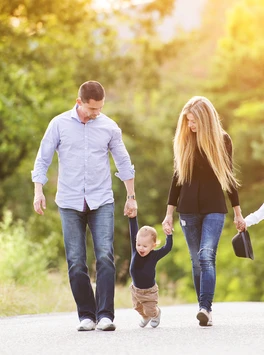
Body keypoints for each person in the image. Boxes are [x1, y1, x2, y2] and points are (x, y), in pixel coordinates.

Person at [32, 80, 137, 332]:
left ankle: (105, 315)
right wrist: (38, 191)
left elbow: (124, 161)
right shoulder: (59, 124)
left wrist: (131, 196)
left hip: (101, 200)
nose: (96, 113)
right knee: (76, 260)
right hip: (69, 202)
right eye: (92, 109)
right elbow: (43, 157)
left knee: (105, 256)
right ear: (79, 102)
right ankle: (86, 315)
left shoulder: (109, 127)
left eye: (100, 108)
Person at [162, 96, 244, 327]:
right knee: (196, 261)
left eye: (194, 121)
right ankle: (203, 307)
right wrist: (168, 214)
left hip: (214, 208)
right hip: (187, 210)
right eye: (188, 121)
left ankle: (205, 308)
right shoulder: (185, 141)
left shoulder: (223, 141)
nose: (190, 125)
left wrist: (238, 213)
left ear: (206, 119)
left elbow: (229, 180)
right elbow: (176, 180)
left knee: (206, 255)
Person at [127, 216, 173, 328]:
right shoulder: (135, 251)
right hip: (135, 289)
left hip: (149, 292)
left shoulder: (154, 255)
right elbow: (133, 229)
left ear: (153, 246)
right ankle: (145, 317)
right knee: (137, 307)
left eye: (145, 246)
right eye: (138, 245)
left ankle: (156, 313)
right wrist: (132, 218)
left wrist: (169, 235)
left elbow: (167, 248)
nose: (141, 248)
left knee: (150, 311)